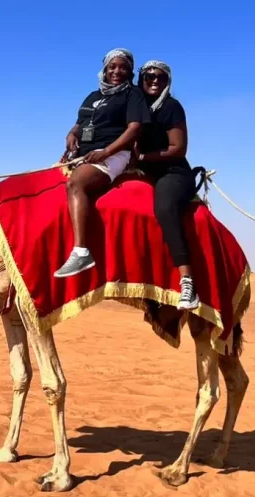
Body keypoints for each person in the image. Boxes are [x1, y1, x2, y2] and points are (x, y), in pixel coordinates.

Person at [53, 48, 149, 278]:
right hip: (84, 153)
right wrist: (71, 134)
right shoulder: (92, 96)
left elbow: (134, 128)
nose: (117, 71)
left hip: (113, 153)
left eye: (123, 67)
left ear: (130, 72)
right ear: (104, 69)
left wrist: (105, 152)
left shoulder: (132, 95)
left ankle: (81, 252)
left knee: (76, 184)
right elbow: (80, 123)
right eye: (112, 67)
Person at [135, 59, 199, 310]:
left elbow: (178, 148)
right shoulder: (133, 106)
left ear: (168, 82)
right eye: (149, 76)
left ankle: (187, 282)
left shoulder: (171, 107)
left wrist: (142, 158)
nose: (154, 81)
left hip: (171, 172)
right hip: (139, 170)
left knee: (164, 208)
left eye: (161, 77)